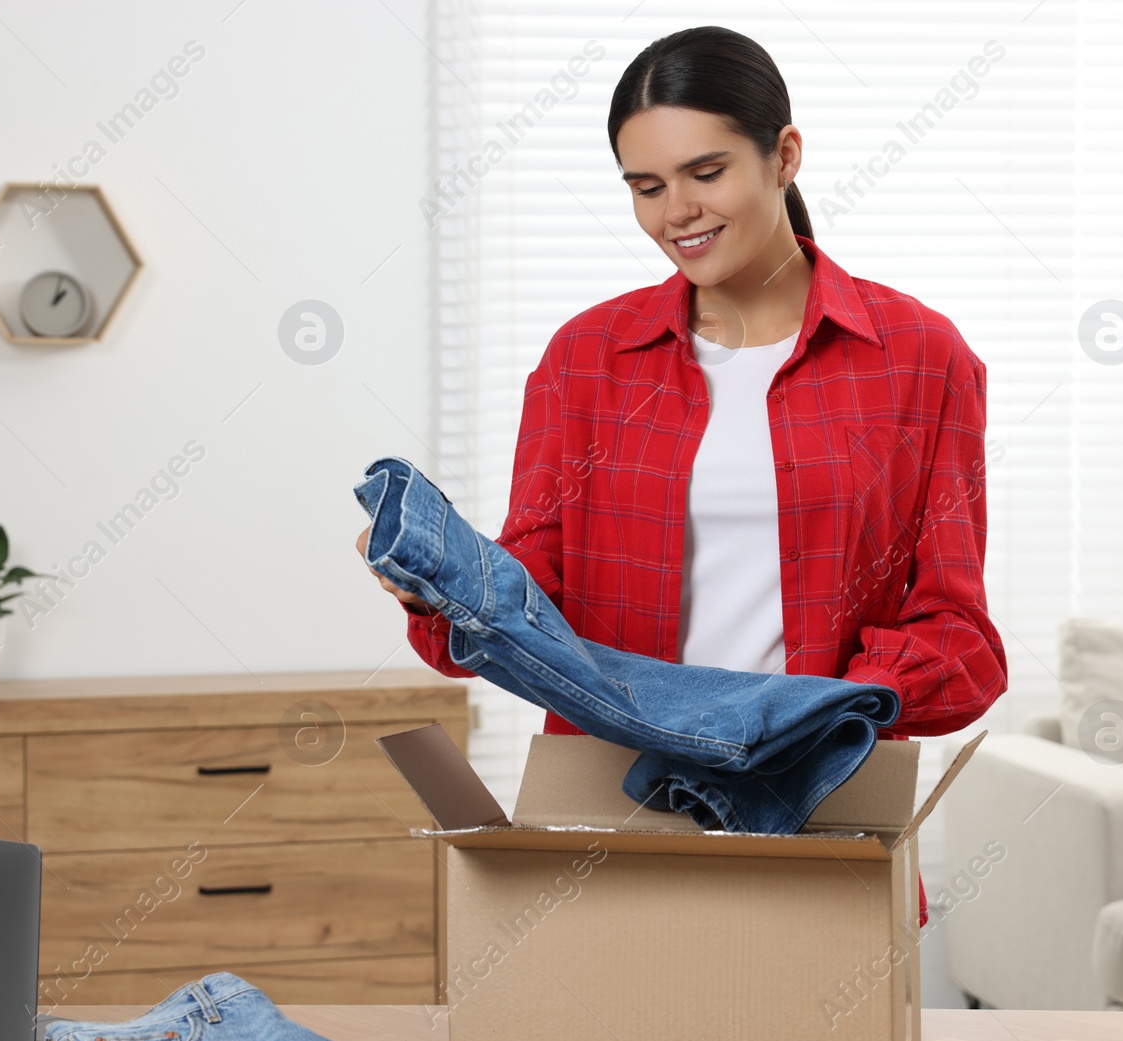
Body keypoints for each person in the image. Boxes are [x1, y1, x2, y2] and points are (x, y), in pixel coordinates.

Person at [355, 25, 1007, 929]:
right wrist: (436, 586)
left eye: (707, 173)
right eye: (647, 186)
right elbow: (533, 603)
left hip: (819, 811)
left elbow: (960, 636)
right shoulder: (586, 360)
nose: (678, 213)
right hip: (608, 813)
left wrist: (806, 718)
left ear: (784, 155)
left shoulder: (921, 360)